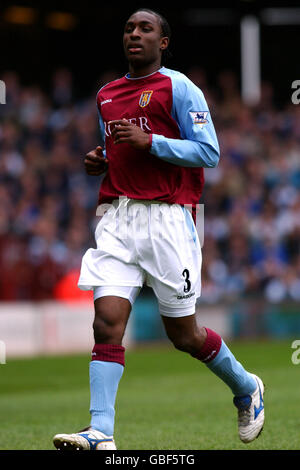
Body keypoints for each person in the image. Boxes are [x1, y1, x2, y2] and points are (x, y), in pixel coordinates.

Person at [53, 8, 264, 450]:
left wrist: (152, 141)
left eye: (145, 29)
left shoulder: (179, 87)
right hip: (117, 218)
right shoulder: (106, 95)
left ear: (162, 42)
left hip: (169, 219)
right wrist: (100, 162)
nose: (135, 34)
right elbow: (117, 152)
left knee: (183, 335)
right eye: (129, 28)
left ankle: (247, 388)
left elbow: (208, 152)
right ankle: (101, 433)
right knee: (106, 324)